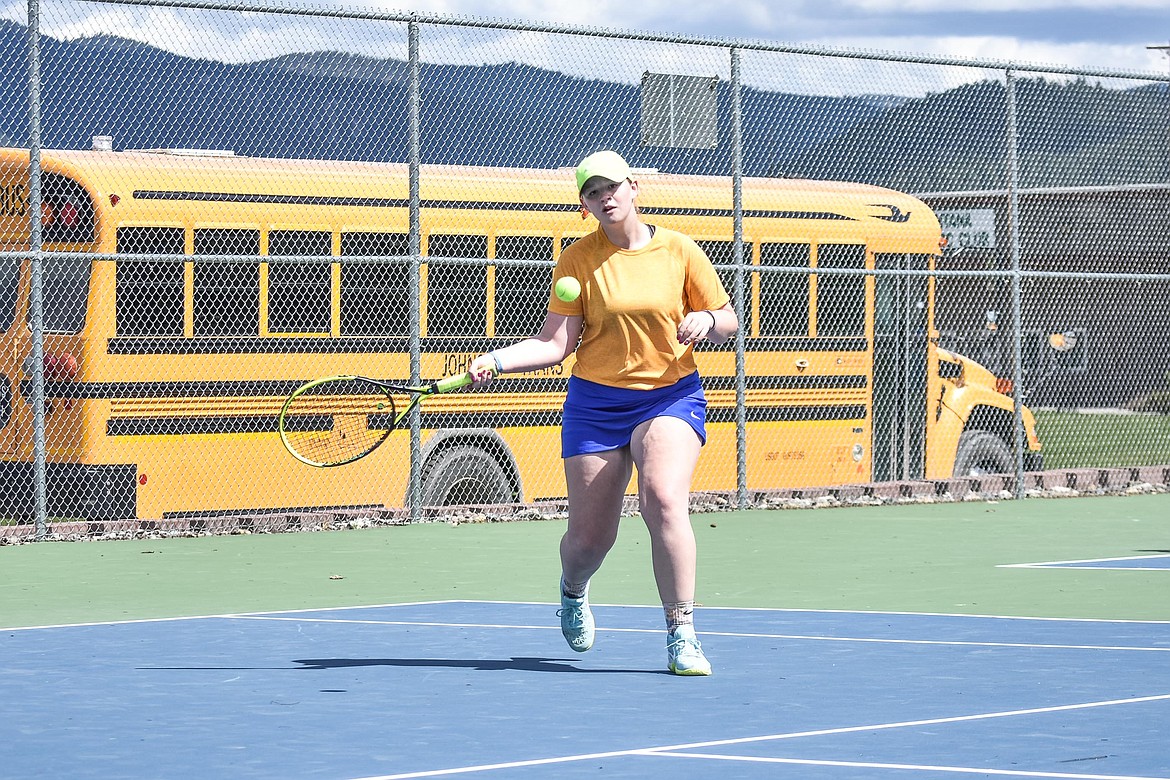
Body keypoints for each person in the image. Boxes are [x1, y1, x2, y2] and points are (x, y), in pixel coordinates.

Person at [469, 150, 737, 676]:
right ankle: (573, 588)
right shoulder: (577, 260)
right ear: (584, 205)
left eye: (612, 187)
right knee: (591, 540)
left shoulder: (680, 251)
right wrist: (496, 360)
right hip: (595, 403)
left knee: (662, 498)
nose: (604, 197)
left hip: (669, 395)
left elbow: (728, 319)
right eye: (592, 193)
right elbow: (555, 344)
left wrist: (706, 319)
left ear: (634, 187)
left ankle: (681, 631)